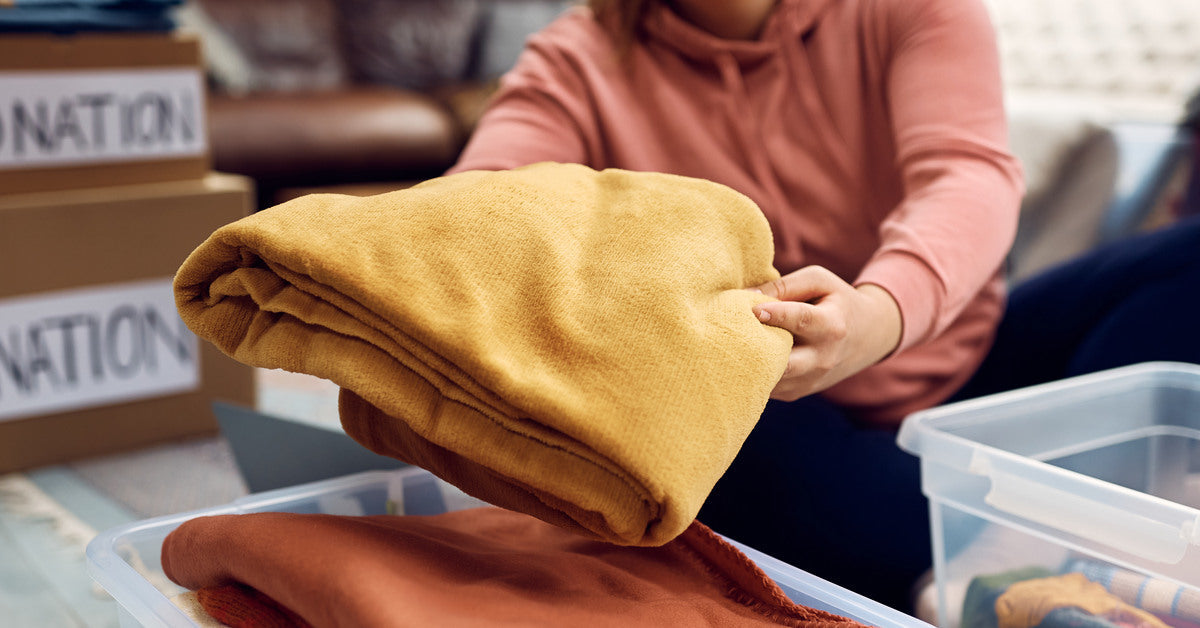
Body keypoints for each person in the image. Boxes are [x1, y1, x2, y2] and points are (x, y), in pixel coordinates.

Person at [445, 0, 1200, 614]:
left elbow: (967, 176)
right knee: (658, 415)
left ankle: (1049, 525)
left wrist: (875, 315)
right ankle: (1014, 545)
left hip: (966, 372)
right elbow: (477, 213)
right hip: (778, 414)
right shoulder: (574, 59)